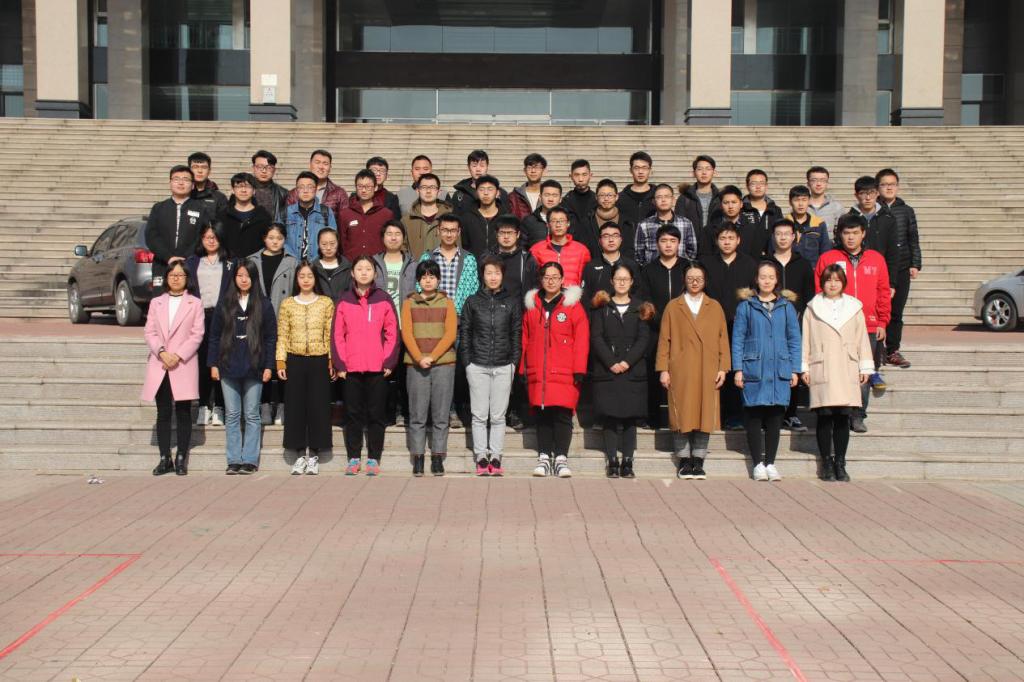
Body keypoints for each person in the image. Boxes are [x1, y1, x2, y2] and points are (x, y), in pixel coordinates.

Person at [815, 213, 891, 433]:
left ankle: (858, 414)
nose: (850, 237)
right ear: (839, 234)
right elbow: (819, 291)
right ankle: (837, 412)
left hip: (868, 325)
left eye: (855, 233)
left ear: (863, 234)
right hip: (836, 326)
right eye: (846, 233)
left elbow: (883, 292)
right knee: (836, 370)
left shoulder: (876, 259)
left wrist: (882, 321)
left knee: (863, 371)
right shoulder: (828, 258)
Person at [656, 261, 730, 480]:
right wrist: (663, 369)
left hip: (708, 367)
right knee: (682, 414)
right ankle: (683, 460)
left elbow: (723, 339)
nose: (694, 282)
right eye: (690, 278)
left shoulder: (714, 306)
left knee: (704, 414)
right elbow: (664, 340)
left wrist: (723, 368)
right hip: (681, 368)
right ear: (684, 280)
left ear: (705, 281)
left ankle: (698, 460)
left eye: (699, 278)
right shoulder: (674, 306)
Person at [802, 264, 875, 482]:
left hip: (846, 366)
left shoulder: (854, 307)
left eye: (837, 280)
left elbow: (862, 338)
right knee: (824, 416)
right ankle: (826, 462)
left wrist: (865, 366)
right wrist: (804, 366)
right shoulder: (812, 308)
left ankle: (840, 462)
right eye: (828, 280)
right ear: (822, 283)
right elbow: (805, 339)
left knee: (843, 417)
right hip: (822, 364)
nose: (832, 284)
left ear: (843, 282)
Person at [732, 261, 801, 482]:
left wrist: (795, 369)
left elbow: (794, 339)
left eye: (771, 277)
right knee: (753, 415)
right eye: (763, 277)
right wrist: (738, 369)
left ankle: (770, 462)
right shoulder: (746, 306)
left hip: (779, 368)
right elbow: (738, 339)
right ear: (756, 279)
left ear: (777, 279)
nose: (767, 281)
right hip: (754, 368)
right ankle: (757, 464)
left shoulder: (786, 307)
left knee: (775, 417)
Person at [332, 255, 400, 476]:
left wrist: (388, 361)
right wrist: (340, 363)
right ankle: (353, 457)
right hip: (351, 368)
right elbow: (337, 335)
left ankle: (373, 458)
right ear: (352, 273)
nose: (364, 272)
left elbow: (392, 333)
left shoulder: (383, 299)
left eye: (368, 269)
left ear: (375, 273)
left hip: (377, 367)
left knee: (376, 414)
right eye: (359, 269)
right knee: (352, 414)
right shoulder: (344, 300)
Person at [207, 259, 277, 474]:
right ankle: (234, 459)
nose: (244, 280)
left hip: (255, 366)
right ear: (234, 278)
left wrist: (269, 366)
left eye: (248, 276)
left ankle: (250, 460)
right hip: (228, 365)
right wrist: (213, 364)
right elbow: (214, 336)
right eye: (240, 276)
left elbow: (270, 338)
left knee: (252, 414)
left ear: (254, 278)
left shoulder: (264, 304)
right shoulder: (224, 303)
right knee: (232, 415)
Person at [521, 262, 589, 479]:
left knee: (562, 414)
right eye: (546, 277)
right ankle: (543, 456)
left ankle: (560, 458)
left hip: (565, 371)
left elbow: (582, 340)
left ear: (562, 280)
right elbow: (525, 339)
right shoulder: (532, 306)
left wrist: (579, 369)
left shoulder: (573, 306)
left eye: (555, 277)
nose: (551, 281)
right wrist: (523, 368)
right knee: (543, 415)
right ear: (541, 280)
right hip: (538, 371)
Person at [141, 260, 205, 476]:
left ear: (187, 278)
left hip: (183, 363)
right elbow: (150, 331)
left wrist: (177, 355)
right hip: (160, 362)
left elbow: (197, 334)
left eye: (180, 275)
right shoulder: (156, 302)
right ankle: (164, 457)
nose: (176, 278)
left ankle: (181, 457)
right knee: (163, 412)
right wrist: (162, 352)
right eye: (172, 275)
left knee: (184, 411)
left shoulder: (195, 303)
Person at [460, 256, 522, 476]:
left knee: (497, 416)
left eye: (497, 273)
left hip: (504, 365)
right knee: (479, 415)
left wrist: (514, 362)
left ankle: (495, 456)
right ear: (483, 276)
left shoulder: (512, 302)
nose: (493, 277)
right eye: (489, 273)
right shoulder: (472, 301)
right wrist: (467, 362)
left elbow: (516, 333)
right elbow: (465, 332)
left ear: (502, 275)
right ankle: (481, 456)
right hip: (477, 364)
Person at [590, 264, 653, 479]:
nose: (622, 282)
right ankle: (612, 461)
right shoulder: (602, 307)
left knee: (629, 418)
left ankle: (627, 461)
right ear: (611, 281)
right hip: (607, 371)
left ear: (632, 281)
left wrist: (626, 362)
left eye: (626, 278)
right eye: (618, 278)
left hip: (632, 371)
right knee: (609, 417)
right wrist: (611, 362)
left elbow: (643, 339)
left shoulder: (641, 307)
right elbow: (596, 337)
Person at [276, 262, 335, 476]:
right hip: (295, 359)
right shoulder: (288, 304)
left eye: (310, 276)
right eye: (302, 276)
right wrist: (280, 361)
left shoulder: (326, 303)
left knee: (319, 406)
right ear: (297, 279)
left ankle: (315, 455)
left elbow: (330, 334)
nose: (306, 280)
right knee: (296, 407)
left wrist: (332, 360)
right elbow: (283, 334)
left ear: (315, 278)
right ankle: (300, 454)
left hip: (319, 359)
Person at [402, 260, 459, 477]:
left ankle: (437, 456)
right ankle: (418, 457)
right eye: (424, 277)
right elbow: (407, 333)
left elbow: (450, 334)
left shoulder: (447, 303)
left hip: (443, 364)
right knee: (417, 413)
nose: (428, 280)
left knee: (441, 414)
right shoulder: (409, 303)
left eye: (432, 277)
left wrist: (433, 357)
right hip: (416, 364)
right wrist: (419, 358)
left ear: (438, 279)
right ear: (418, 280)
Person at [702, 223, 758, 431]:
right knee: (713, 369)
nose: (727, 242)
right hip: (711, 326)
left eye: (731, 238)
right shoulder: (706, 264)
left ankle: (735, 416)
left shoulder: (749, 264)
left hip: (740, 326)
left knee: (736, 369)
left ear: (738, 240)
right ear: (717, 241)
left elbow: (755, 294)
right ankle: (714, 414)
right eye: (723, 238)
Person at [639, 225, 689, 430]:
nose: (668, 245)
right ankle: (652, 417)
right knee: (654, 372)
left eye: (672, 241)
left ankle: (682, 416)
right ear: (657, 244)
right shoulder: (648, 270)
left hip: (685, 330)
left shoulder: (688, 267)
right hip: (655, 329)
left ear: (679, 243)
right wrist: (663, 323)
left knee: (683, 373)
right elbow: (645, 301)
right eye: (664, 241)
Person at [769, 219, 815, 433]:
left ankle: (791, 413)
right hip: (769, 323)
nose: (783, 238)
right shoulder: (765, 263)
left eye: (787, 233)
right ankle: (771, 412)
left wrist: (802, 317)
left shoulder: (803, 264)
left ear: (794, 237)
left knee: (793, 367)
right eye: (778, 234)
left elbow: (809, 296)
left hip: (796, 323)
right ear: (773, 237)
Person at [184, 224, 232, 426]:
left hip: (222, 316)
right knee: (203, 363)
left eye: (214, 237)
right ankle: (204, 405)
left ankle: (220, 405)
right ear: (201, 239)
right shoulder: (192, 262)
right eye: (207, 237)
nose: (211, 241)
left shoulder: (230, 263)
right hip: (199, 316)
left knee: (221, 361)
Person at [250, 223, 297, 426]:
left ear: (285, 239)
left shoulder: (292, 262)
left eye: (279, 238)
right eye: (271, 238)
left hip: (283, 317)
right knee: (262, 362)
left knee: (283, 363)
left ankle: (283, 406)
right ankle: (264, 405)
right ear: (264, 239)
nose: (275, 241)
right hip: (258, 318)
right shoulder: (252, 261)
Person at [876, 168, 922, 369]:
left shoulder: (906, 210)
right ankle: (876, 349)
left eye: (892, 184)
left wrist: (915, 263)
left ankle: (892, 350)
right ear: (878, 187)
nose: (889, 188)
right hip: (878, 267)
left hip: (901, 266)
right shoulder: (873, 209)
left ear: (898, 187)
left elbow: (913, 238)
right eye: (884, 184)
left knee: (896, 312)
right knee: (877, 310)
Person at [374, 220, 418, 427]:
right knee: (382, 372)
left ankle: (403, 412)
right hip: (380, 330)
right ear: (382, 238)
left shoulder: (413, 264)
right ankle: (384, 412)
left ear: (403, 238)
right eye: (389, 233)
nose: (393, 237)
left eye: (397, 233)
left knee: (405, 372)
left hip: (406, 326)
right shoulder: (373, 264)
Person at [146, 165, 211, 288]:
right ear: (170, 183)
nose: (181, 183)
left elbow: (203, 236)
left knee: (190, 297)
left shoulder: (201, 209)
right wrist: (168, 257)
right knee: (161, 297)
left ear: (193, 185)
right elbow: (151, 236)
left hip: (191, 264)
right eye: (176, 179)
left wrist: (186, 257)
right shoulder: (159, 208)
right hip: (163, 264)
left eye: (186, 179)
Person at [419, 213, 479, 314]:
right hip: (433, 315)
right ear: (438, 230)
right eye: (445, 230)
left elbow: (473, 290)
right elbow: (419, 287)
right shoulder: (427, 258)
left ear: (459, 232)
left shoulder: (468, 259)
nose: (449, 235)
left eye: (453, 230)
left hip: (461, 317)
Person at [634, 183, 697, 267]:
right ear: (654, 201)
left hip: (680, 271)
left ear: (673, 200)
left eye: (667, 196)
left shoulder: (686, 223)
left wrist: (685, 267)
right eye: (659, 197)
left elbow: (692, 251)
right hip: (653, 271)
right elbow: (639, 253)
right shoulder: (644, 225)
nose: (663, 200)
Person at [529, 207, 591, 287]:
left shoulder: (582, 250)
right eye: (554, 221)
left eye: (562, 221)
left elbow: (587, 280)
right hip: (545, 294)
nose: (558, 225)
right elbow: (531, 280)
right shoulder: (536, 250)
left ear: (568, 223)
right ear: (548, 225)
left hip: (572, 294)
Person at [340, 169, 394, 261]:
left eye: (368, 187)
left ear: (375, 187)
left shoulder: (386, 214)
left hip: (378, 264)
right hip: (351, 264)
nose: (364, 190)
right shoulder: (345, 214)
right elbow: (342, 242)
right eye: (360, 186)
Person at [582, 222, 640, 309]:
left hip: (626, 314)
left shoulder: (631, 265)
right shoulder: (591, 266)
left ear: (621, 239)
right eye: (606, 236)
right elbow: (585, 297)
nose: (611, 240)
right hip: (598, 314)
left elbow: (638, 294)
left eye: (615, 235)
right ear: (600, 241)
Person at [284, 171, 338, 261]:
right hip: (291, 264)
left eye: (310, 187)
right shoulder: (286, 212)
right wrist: (292, 260)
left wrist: (317, 261)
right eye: (301, 187)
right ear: (296, 190)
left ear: (316, 189)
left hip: (318, 264)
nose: (305, 191)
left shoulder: (326, 212)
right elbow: (279, 239)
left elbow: (333, 240)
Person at [286, 149, 348, 226]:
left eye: (325, 163)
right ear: (310, 165)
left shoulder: (339, 193)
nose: (321, 167)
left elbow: (345, 223)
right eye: (317, 162)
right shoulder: (294, 193)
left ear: (330, 167)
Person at [218, 172, 273, 260]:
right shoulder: (223, 215)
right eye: (239, 186)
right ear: (232, 190)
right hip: (228, 263)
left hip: (255, 264)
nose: (243, 190)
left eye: (247, 186)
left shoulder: (264, 217)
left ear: (254, 191)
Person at [583, 179, 637, 261]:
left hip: (622, 267)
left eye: (610, 195)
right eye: (602, 195)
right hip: (595, 266)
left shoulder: (627, 222)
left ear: (616, 197)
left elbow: (630, 250)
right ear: (596, 197)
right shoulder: (587, 221)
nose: (606, 199)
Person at [778, 185, 831, 266]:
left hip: (813, 269)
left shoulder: (819, 224)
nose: (800, 204)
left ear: (809, 201)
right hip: (789, 268)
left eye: (804, 200)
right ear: (790, 202)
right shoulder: (783, 225)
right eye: (796, 200)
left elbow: (825, 251)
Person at [699, 185, 756, 259]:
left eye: (734, 202)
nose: (730, 206)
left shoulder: (752, 229)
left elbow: (755, 257)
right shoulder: (709, 230)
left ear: (741, 204)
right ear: (721, 205)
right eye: (726, 203)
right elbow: (704, 256)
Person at [403, 172, 452, 257]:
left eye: (432, 187)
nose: (428, 191)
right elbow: (402, 249)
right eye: (424, 187)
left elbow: (457, 248)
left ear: (439, 192)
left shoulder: (450, 219)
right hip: (415, 265)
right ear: (417, 191)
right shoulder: (407, 220)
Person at [491, 214, 537, 303]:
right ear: (496, 234)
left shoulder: (527, 259)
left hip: (520, 309)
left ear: (518, 234)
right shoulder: (488, 257)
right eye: (502, 232)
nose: (506, 237)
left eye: (510, 233)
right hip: (493, 309)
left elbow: (534, 288)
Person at [448, 149, 509, 214]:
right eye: (474, 165)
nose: (478, 169)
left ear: (487, 166)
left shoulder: (501, 194)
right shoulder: (459, 195)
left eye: (482, 165)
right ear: (468, 167)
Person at [741, 169, 783, 258]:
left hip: (770, 259)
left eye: (761, 183)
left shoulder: (775, 210)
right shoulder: (740, 209)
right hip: (745, 259)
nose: (758, 187)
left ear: (766, 186)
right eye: (754, 183)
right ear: (747, 186)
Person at [460, 174, 503, 258]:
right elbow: (463, 247)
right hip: (473, 265)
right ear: (476, 192)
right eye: (481, 189)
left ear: (497, 193)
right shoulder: (466, 218)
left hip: (499, 265)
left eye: (490, 189)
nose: (485, 193)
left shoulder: (505, 218)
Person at [676, 155, 722, 230]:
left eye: (708, 169)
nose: (704, 172)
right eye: (700, 169)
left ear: (714, 172)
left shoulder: (720, 198)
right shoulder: (684, 198)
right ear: (694, 173)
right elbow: (679, 225)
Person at [521, 179, 566, 248]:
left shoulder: (567, 220)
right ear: (540, 197)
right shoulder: (529, 221)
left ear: (560, 199)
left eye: (555, 195)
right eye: (547, 195)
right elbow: (522, 248)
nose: (550, 199)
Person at [310, 228, 352, 302]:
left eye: (332, 243)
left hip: (342, 308)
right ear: (318, 244)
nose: (328, 248)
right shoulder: (312, 267)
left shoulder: (347, 267)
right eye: (324, 244)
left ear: (338, 243)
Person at [616, 151, 655, 225]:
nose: (640, 172)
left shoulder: (658, 197)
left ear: (650, 170)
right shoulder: (620, 199)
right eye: (636, 168)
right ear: (631, 170)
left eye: (644, 168)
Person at [188, 151, 228, 221]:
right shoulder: (183, 194)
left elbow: (223, 222)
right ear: (189, 170)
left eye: (204, 167)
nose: (200, 171)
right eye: (195, 167)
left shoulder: (220, 198)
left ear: (209, 171)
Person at [251, 149, 288, 223]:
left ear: (274, 170)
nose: (264, 171)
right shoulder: (243, 191)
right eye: (260, 167)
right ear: (253, 168)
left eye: (268, 167)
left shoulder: (283, 194)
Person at [507, 152, 547, 219]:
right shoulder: (514, 197)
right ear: (524, 171)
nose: (533, 171)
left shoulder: (550, 195)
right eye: (529, 167)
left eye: (537, 167)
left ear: (544, 171)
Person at [562, 159, 597, 226]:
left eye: (584, 174)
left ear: (590, 175)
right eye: (576, 175)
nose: (580, 179)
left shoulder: (597, 200)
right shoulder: (565, 201)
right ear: (571, 176)